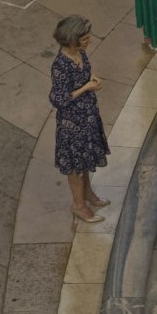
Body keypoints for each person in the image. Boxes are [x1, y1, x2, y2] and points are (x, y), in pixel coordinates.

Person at [49, 16, 112, 224]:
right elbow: (58, 98)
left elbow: (84, 74)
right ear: (72, 39)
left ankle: (89, 195)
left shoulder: (80, 54)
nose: (88, 41)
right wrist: (86, 88)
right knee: (76, 166)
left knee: (85, 161)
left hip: (87, 116)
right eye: (84, 38)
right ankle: (79, 205)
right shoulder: (60, 65)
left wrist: (92, 79)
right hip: (72, 123)